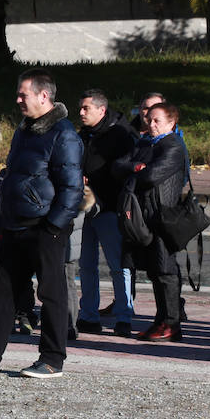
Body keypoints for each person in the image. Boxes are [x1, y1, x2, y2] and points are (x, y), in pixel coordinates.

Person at [0, 69, 83, 379]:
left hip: (45, 226)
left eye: (24, 94)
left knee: (51, 293)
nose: (17, 99)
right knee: (4, 293)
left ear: (43, 96)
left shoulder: (64, 134)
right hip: (14, 224)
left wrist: (53, 225)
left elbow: (72, 188)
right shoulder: (24, 130)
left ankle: (52, 359)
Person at [75, 89, 137, 337]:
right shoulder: (83, 134)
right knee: (86, 265)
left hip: (111, 208)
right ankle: (88, 316)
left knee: (118, 266)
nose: (80, 113)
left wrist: (101, 181)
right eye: (80, 108)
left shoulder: (121, 134)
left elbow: (127, 170)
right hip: (85, 207)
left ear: (101, 110)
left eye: (85, 108)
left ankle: (124, 317)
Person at [128, 102, 191, 343]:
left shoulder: (172, 145)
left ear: (171, 123)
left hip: (164, 216)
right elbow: (121, 166)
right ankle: (160, 320)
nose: (151, 124)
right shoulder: (147, 143)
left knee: (165, 271)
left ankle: (171, 323)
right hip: (149, 216)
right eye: (149, 119)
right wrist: (136, 167)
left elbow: (151, 176)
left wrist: (138, 170)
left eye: (157, 121)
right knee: (155, 271)